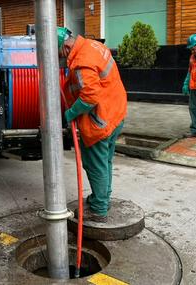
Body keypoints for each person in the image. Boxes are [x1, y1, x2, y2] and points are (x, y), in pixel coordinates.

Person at [58, 27, 128, 223]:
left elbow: (89, 97)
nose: (60, 59)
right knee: (105, 162)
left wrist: (70, 114)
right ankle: (102, 199)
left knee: (96, 165)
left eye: (58, 54)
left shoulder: (82, 62)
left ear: (65, 47)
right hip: (115, 114)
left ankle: (98, 210)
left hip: (100, 121)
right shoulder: (93, 45)